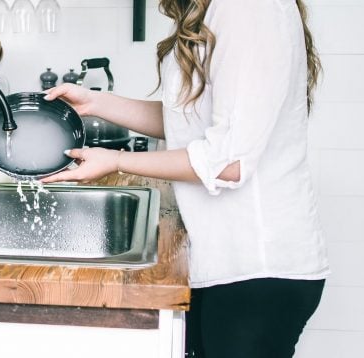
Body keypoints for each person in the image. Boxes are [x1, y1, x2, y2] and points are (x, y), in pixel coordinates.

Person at [41, 0, 329, 357]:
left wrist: (117, 160)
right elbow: (189, 124)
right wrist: (94, 103)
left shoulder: (250, 9)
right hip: (230, 263)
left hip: (259, 267)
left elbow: (229, 162)